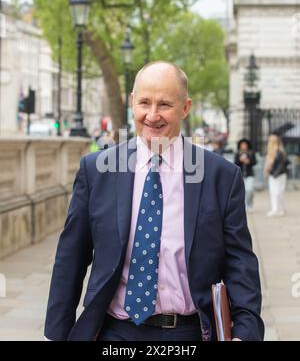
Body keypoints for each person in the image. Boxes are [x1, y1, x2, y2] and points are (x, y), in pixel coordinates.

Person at [44, 61, 264, 341]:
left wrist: (245, 333)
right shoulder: (97, 170)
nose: (152, 115)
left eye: (165, 105)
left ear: (185, 107)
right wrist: (56, 334)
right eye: (144, 103)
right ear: (132, 102)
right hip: (114, 332)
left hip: (191, 333)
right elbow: (71, 258)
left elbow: (240, 263)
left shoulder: (221, 176)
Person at [264, 134, 289, 217]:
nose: (268, 143)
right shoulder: (271, 152)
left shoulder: (279, 152)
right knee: (273, 192)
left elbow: (281, 166)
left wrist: (275, 175)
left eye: (269, 141)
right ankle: (277, 209)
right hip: (273, 175)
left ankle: (279, 209)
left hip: (279, 175)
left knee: (278, 193)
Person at [234, 139, 257, 213]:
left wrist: (249, 162)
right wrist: (240, 160)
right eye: (242, 145)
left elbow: (254, 162)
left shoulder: (251, 153)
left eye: (245, 144)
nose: (244, 146)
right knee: (242, 191)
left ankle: (250, 205)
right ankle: (244, 206)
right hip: (241, 175)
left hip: (249, 174)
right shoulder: (237, 153)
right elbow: (235, 164)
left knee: (249, 190)